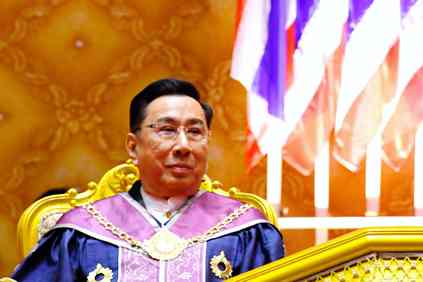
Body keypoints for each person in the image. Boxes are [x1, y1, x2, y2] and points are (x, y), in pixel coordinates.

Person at [12, 78, 284, 280]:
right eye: (166, 130)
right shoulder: (81, 231)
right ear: (133, 146)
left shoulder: (246, 230)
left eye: (195, 132)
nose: (183, 145)